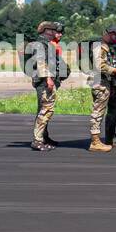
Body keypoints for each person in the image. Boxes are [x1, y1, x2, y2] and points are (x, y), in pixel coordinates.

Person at [88, 19, 116, 153]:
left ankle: (98, 140)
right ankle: (96, 142)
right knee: (97, 113)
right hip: (100, 83)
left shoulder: (105, 46)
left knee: (100, 112)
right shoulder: (100, 46)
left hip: (105, 82)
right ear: (111, 33)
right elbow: (100, 65)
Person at [28, 21, 66, 152]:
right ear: (47, 31)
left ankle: (42, 137)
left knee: (45, 110)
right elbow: (41, 63)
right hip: (44, 82)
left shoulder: (46, 44)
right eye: (54, 30)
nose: (56, 33)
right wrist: (48, 79)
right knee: (45, 110)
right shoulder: (41, 44)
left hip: (46, 81)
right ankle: (37, 141)